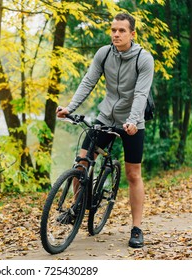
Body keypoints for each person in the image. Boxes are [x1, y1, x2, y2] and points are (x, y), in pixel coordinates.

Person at [56, 13, 154, 248]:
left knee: (133, 174)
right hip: (105, 117)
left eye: (121, 30)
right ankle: (78, 207)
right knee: (81, 163)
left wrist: (132, 121)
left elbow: (141, 94)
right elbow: (88, 81)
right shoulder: (104, 53)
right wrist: (70, 107)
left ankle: (137, 228)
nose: (116, 34)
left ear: (132, 34)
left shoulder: (144, 59)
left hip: (133, 122)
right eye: (113, 30)